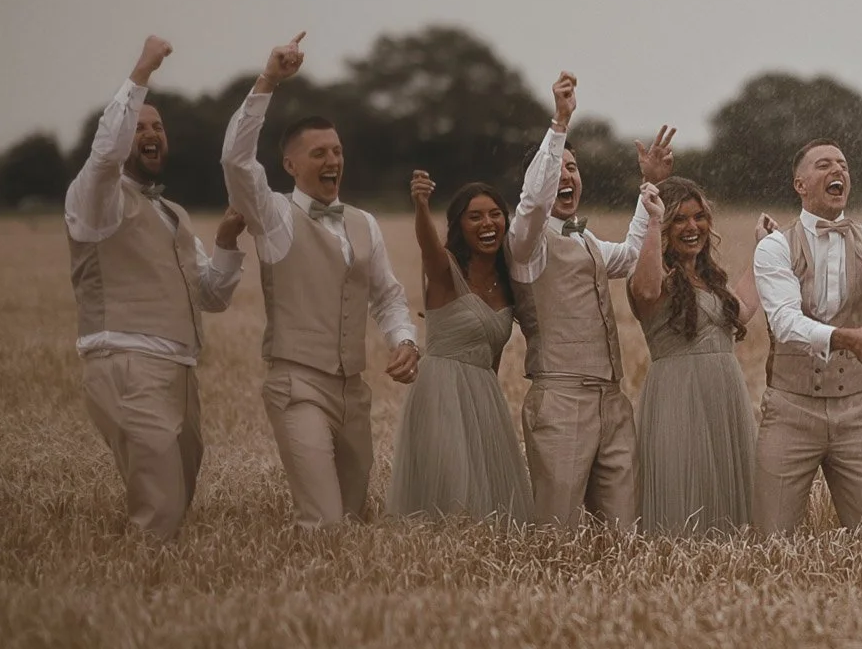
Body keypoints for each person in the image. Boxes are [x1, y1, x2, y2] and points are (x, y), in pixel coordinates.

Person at [221, 33, 419, 529]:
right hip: (298, 385)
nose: (332, 161)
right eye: (318, 154)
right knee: (324, 521)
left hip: (354, 390)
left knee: (351, 519)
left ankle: (341, 606)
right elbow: (236, 162)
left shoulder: (364, 222)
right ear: (290, 165)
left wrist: (404, 339)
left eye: (337, 151)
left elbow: (389, 296)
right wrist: (268, 80)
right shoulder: (275, 218)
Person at [65, 35, 246, 540]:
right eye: (139, 125)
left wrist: (228, 243)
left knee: (177, 494)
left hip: (180, 370)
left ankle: (152, 593)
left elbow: (212, 295)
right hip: (127, 362)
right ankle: (133, 603)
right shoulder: (95, 200)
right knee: (161, 506)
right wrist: (141, 72)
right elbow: (104, 158)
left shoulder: (172, 214)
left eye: (157, 127)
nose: (151, 134)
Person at [505, 72, 673, 530]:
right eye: (557, 169)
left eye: (573, 168)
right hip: (560, 400)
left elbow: (634, 255)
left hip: (612, 399)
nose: (567, 176)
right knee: (556, 530)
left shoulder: (588, 240)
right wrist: (559, 124)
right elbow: (532, 201)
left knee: (623, 533)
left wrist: (648, 186)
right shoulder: (527, 242)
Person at [752, 139, 862, 533]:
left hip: (856, 411)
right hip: (789, 410)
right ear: (800, 184)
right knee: (772, 539)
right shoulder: (775, 246)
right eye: (824, 165)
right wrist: (848, 338)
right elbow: (784, 320)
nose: (838, 171)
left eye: (844, 166)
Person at [386, 172, 533, 523]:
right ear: (459, 226)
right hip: (441, 393)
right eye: (475, 216)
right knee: (451, 499)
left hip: (485, 398)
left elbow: (493, 358)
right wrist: (421, 205)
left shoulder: (508, 282)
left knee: (491, 510)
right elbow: (428, 245)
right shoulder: (444, 271)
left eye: (495, 214)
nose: (487, 223)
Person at [628, 176, 763, 535]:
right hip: (679, 396)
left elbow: (744, 309)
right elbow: (643, 290)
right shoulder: (656, 274)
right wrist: (653, 222)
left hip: (725, 395)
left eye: (699, 217)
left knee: (732, 511)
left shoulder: (709, 279)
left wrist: (762, 250)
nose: (692, 227)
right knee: (683, 493)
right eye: (680, 219)